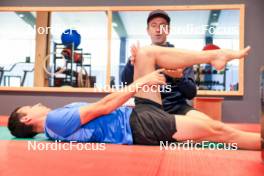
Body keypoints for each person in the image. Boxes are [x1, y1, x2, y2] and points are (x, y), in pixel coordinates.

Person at [8, 45, 260, 150]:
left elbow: (105, 108)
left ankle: (214, 57)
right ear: (28, 117)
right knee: (217, 131)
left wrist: (139, 84)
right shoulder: (55, 121)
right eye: (31, 105)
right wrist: (141, 82)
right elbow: (104, 106)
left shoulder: (55, 123)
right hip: (139, 127)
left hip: (136, 114)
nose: (37, 103)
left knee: (146, 54)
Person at [121, 9, 197, 115]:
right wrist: (131, 64)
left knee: (204, 123)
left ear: (168, 30)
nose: (158, 30)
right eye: (153, 25)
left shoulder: (179, 57)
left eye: (162, 26)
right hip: (148, 109)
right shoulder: (140, 56)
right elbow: (125, 84)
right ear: (148, 30)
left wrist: (179, 78)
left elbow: (191, 93)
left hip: (177, 107)